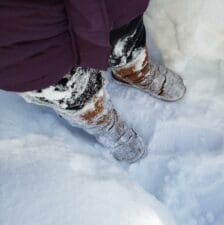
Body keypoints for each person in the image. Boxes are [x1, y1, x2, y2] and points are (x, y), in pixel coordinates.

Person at [0, 0, 186, 163]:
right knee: (71, 92)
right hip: (24, 35)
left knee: (125, 35)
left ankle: (132, 69)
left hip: (111, 6)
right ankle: (101, 119)